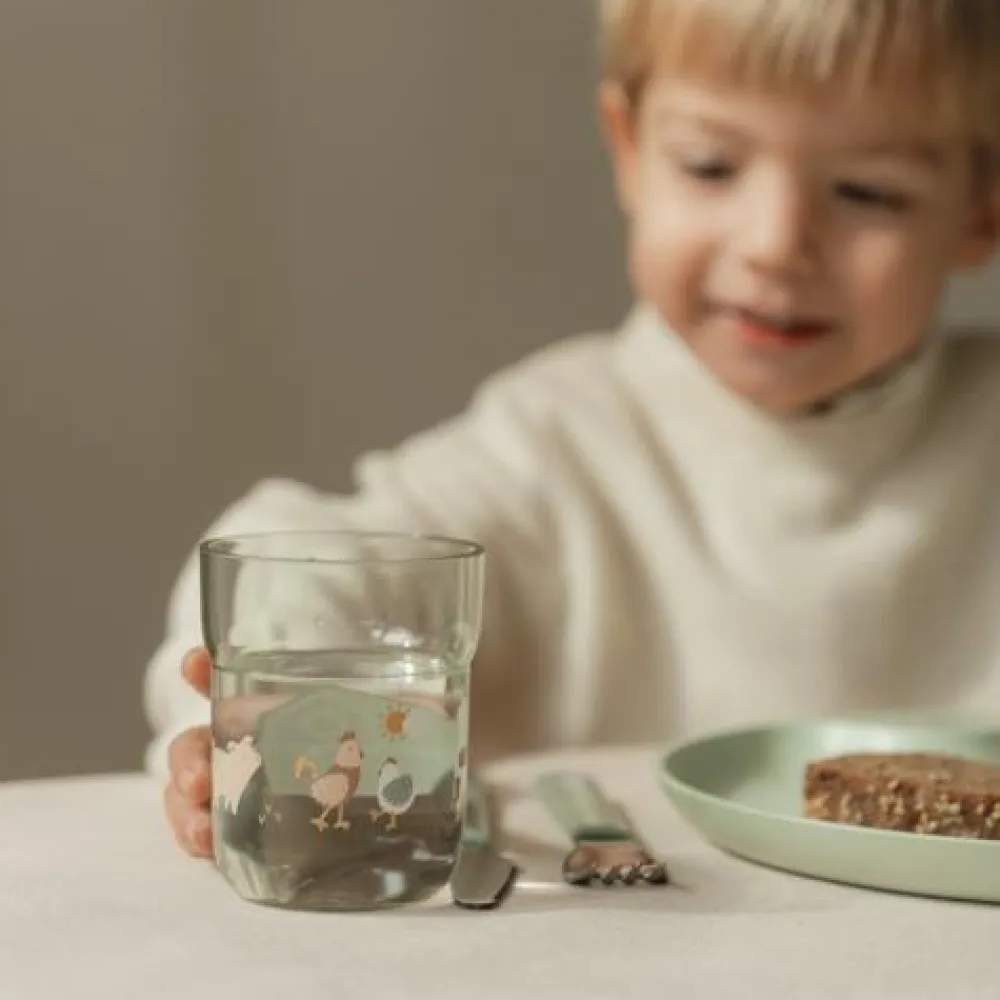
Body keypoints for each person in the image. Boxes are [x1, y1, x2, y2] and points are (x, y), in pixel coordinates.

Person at [150, 0, 1000, 859]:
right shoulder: (560, 447)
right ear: (629, 148)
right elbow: (310, 550)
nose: (777, 243)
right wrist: (281, 700)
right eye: (711, 166)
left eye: (868, 192)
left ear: (981, 208)